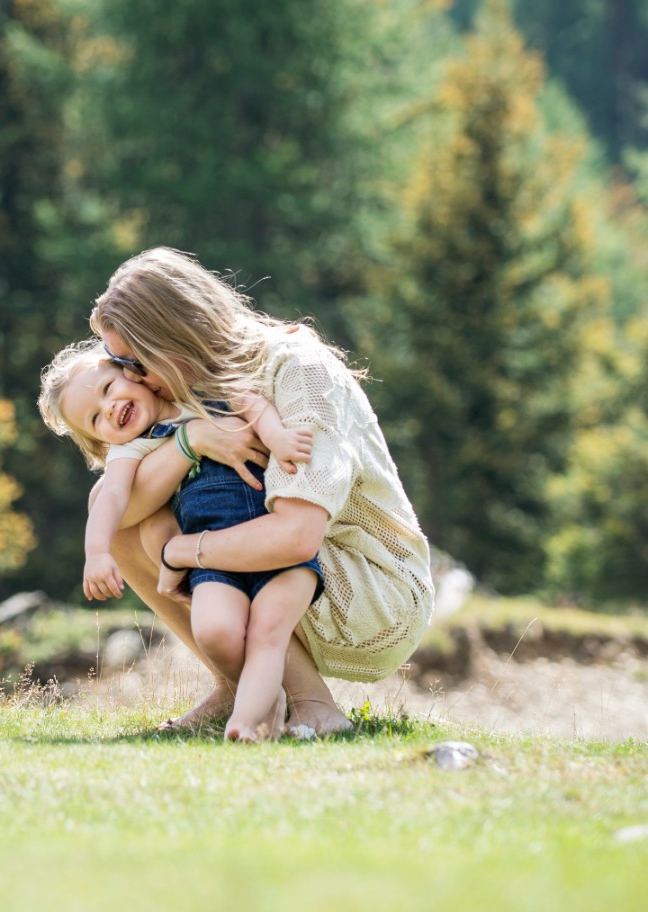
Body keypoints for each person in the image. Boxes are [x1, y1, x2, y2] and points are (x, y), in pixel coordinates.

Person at [82, 247, 436, 737]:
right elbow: (112, 507)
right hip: (298, 567)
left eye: (132, 362)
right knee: (119, 509)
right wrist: (190, 441)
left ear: (171, 339)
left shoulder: (296, 369)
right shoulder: (193, 393)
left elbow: (296, 536)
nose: (128, 378)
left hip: (372, 590)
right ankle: (237, 686)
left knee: (165, 521)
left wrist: (182, 550)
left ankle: (312, 703)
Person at [39, 343, 318, 740]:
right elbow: (111, 496)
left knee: (267, 628)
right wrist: (96, 552)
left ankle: (279, 705)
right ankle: (258, 703)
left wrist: (277, 437)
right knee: (216, 632)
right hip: (211, 558)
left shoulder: (194, 393)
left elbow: (248, 400)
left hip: (263, 537)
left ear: (132, 373)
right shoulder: (132, 449)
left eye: (107, 389)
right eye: (96, 418)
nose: (110, 408)